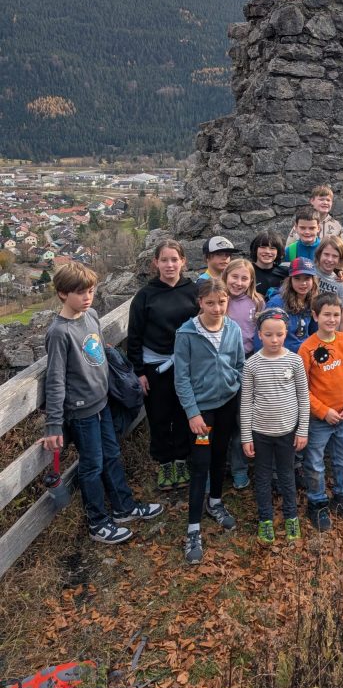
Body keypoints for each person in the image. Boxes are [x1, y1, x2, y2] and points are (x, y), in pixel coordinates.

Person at [43, 262, 164, 545]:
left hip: (102, 403)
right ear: (62, 294)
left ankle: (123, 507)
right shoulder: (59, 332)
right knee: (92, 466)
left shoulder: (91, 316)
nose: (88, 297)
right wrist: (53, 425)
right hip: (81, 412)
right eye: (80, 293)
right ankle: (98, 522)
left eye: (91, 291)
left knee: (111, 455)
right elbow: (56, 379)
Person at [174, 278, 245, 566]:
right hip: (202, 412)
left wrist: (234, 384)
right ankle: (193, 528)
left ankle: (215, 502)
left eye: (222, 302)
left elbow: (239, 363)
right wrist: (192, 413)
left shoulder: (233, 328)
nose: (217, 308)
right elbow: (181, 377)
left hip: (226, 405)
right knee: (201, 461)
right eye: (211, 303)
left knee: (220, 456)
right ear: (200, 303)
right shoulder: (187, 334)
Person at [127, 239, 198, 491]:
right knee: (158, 416)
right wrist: (139, 372)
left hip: (186, 364)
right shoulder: (145, 296)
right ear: (155, 263)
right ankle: (164, 462)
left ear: (183, 262)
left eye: (174, 259)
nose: (170, 265)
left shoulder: (192, 291)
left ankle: (181, 459)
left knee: (182, 413)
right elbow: (134, 336)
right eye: (164, 260)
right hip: (155, 366)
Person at [241, 308, 310, 545]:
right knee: (262, 477)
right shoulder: (252, 365)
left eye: (279, 334)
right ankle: (265, 519)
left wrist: (302, 430)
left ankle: (291, 516)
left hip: (287, 433)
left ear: (286, 333)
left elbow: (303, 397)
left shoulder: (295, 360)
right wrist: (246, 436)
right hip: (260, 433)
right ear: (259, 334)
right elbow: (246, 402)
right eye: (268, 334)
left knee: (286, 475)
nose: (274, 340)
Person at [299, 294, 343, 530]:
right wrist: (322, 411)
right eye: (326, 314)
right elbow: (302, 389)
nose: (332, 319)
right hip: (319, 419)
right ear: (315, 316)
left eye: (336, 315)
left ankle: (342, 498)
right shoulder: (307, 349)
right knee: (315, 462)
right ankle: (317, 503)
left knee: (342, 459)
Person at [224, 258, 264, 490]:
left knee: (242, 420)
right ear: (226, 276)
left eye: (244, 278)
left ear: (251, 281)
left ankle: (239, 467)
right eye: (234, 277)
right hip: (221, 365)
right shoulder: (220, 299)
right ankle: (220, 464)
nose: (238, 283)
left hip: (247, 363)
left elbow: (260, 335)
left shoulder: (256, 303)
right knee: (222, 418)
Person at [255, 258, 319, 353]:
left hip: (304, 355)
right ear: (290, 280)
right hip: (281, 357)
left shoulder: (314, 301)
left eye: (307, 278)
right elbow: (260, 336)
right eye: (297, 278)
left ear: (313, 280)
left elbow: (315, 333)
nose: (303, 283)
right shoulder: (277, 303)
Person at [314, 235, 343, 330]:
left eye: (335, 256)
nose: (330, 259)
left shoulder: (340, 283)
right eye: (326, 254)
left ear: (340, 259)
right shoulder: (310, 273)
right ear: (319, 254)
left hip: (332, 334)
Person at [249, 231, 287, 297]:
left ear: (278, 252)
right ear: (255, 249)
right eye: (263, 247)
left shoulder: (285, 273)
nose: (267, 251)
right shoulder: (248, 271)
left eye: (272, 248)